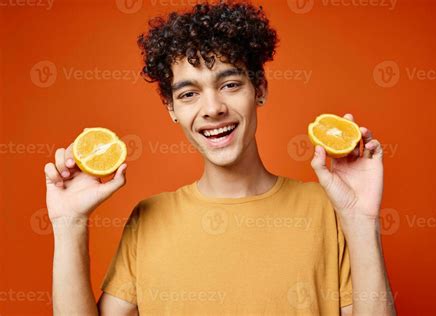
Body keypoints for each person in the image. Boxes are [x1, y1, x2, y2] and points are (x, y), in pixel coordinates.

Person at [44, 1, 396, 315]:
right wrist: (69, 224)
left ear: (259, 89)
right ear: (171, 108)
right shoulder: (148, 221)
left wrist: (360, 222)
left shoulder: (328, 211)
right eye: (188, 93)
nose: (212, 109)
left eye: (229, 84)